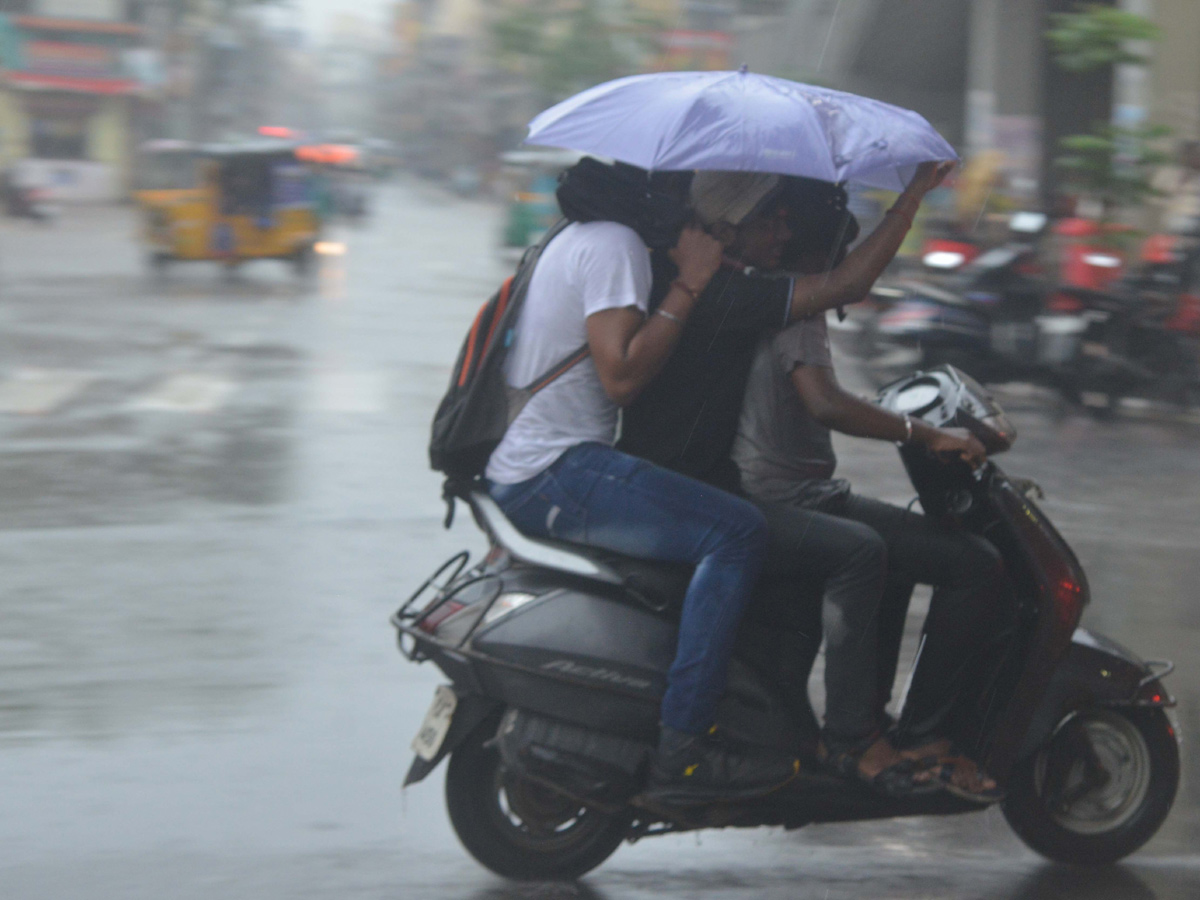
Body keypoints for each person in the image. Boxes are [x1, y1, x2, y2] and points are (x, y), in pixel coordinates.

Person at [621, 164, 966, 798]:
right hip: (693, 490)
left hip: (700, 481)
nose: (782, 231)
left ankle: (823, 721)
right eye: (769, 220)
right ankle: (852, 742)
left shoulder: (715, 285)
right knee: (861, 551)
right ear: (727, 229)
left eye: (787, 219)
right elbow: (850, 289)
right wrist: (912, 196)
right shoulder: (726, 296)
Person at [484, 176, 798, 805]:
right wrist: (691, 282)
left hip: (530, 462)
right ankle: (684, 748)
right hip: (557, 469)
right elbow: (621, 376)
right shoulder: (616, 247)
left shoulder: (573, 236)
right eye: (678, 196)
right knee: (737, 533)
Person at [729, 180, 1016, 800]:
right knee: (973, 565)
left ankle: (871, 722)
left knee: (899, 546)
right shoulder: (797, 305)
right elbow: (825, 403)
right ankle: (904, 736)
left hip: (780, 489)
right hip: (789, 499)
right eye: (844, 248)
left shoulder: (755, 290)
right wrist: (924, 434)